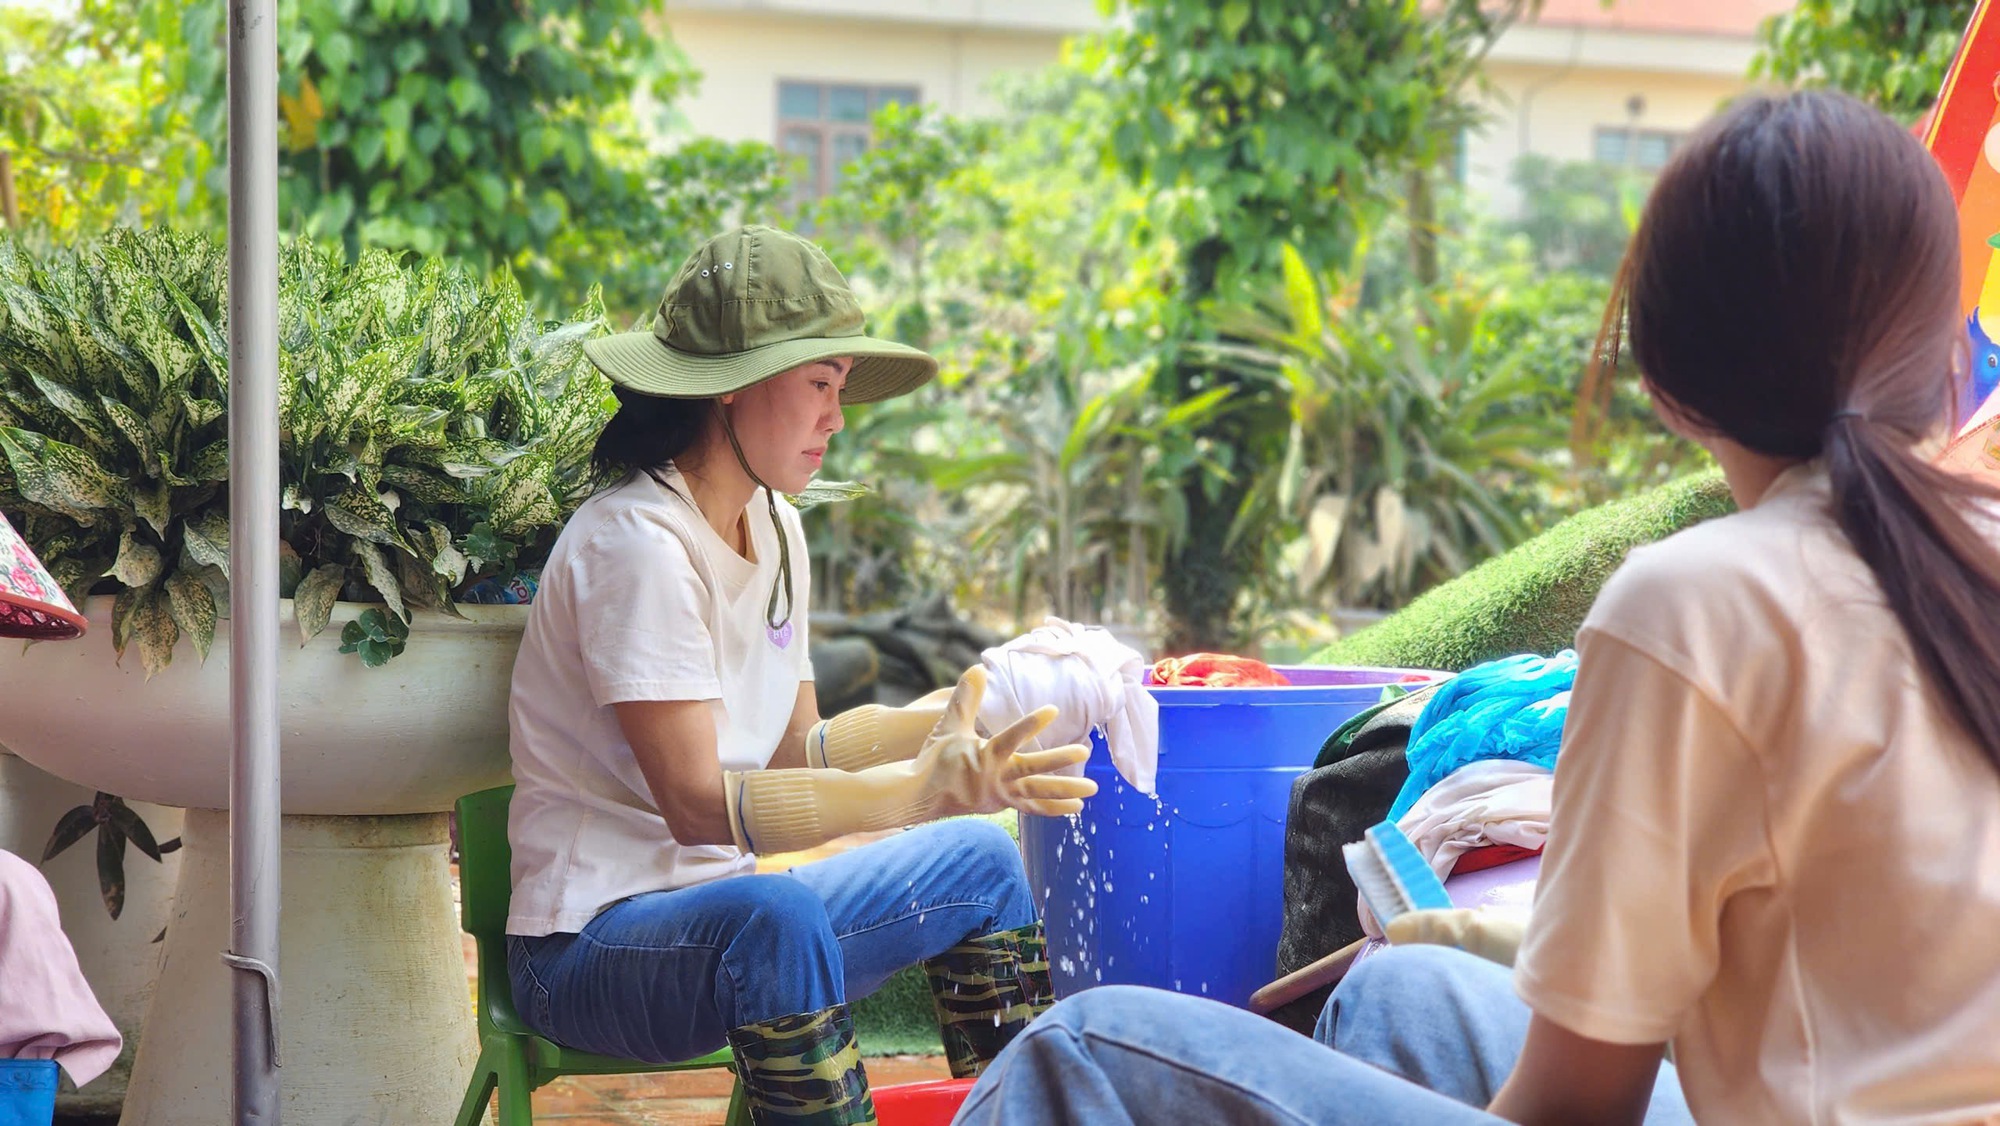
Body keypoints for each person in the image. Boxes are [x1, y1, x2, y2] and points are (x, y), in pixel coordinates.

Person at [956, 89, 2000, 1125]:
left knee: (1079, 1050)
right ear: (1945, 358)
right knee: (1398, 989)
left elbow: (1574, 1105)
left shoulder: (1693, 604)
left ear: (1668, 381)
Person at [503, 226, 1095, 1124]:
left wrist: (966, 705)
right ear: (734, 386)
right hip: (588, 948)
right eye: (820, 384)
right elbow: (699, 807)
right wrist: (913, 793)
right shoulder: (637, 546)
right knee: (775, 917)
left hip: (732, 922)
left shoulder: (777, 527)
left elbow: (794, 750)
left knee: (981, 861)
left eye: (840, 388)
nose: (837, 417)